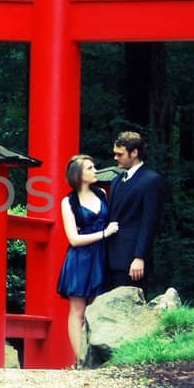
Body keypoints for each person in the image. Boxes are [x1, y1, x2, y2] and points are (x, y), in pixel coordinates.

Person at [56, 154, 119, 366]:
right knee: (78, 311)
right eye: (90, 168)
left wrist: (105, 235)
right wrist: (104, 234)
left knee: (96, 308)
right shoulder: (68, 202)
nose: (95, 171)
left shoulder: (101, 194)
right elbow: (73, 238)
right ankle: (79, 359)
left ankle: (94, 356)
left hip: (101, 256)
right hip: (80, 259)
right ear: (79, 174)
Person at [105, 131, 165, 294]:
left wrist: (139, 257)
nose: (116, 158)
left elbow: (149, 222)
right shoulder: (116, 180)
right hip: (110, 258)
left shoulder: (151, 180)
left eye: (120, 154)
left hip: (132, 261)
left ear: (134, 153)